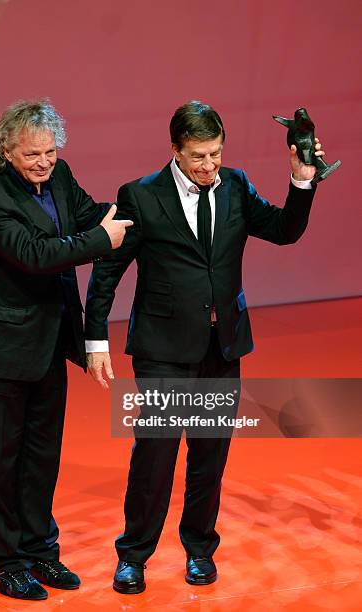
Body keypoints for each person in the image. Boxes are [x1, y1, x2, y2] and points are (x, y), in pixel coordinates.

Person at [85, 100, 324, 594]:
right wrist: (95, 339)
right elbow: (107, 271)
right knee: (155, 455)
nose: (209, 165)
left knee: (210, 453)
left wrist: (303, 179)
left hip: (223, 344)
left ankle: (198, 548)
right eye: (198, 156)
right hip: (164, 346)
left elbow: (285, 231)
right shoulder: (142, 196)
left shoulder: (235, 185)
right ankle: (134, 555)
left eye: (215, 153)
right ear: (175, 149)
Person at [0, 99, 132, 601]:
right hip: (1, 350)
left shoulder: (60, 175)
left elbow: (89, 215)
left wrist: (142, 211)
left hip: (50, 342)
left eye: (50, 152)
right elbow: (37, 256)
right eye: (33, 154)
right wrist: (101, 239)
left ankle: (40, 552)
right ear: (6, 150)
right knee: (1, 461)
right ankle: (6, 563)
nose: (44, 162)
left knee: (41, 457)